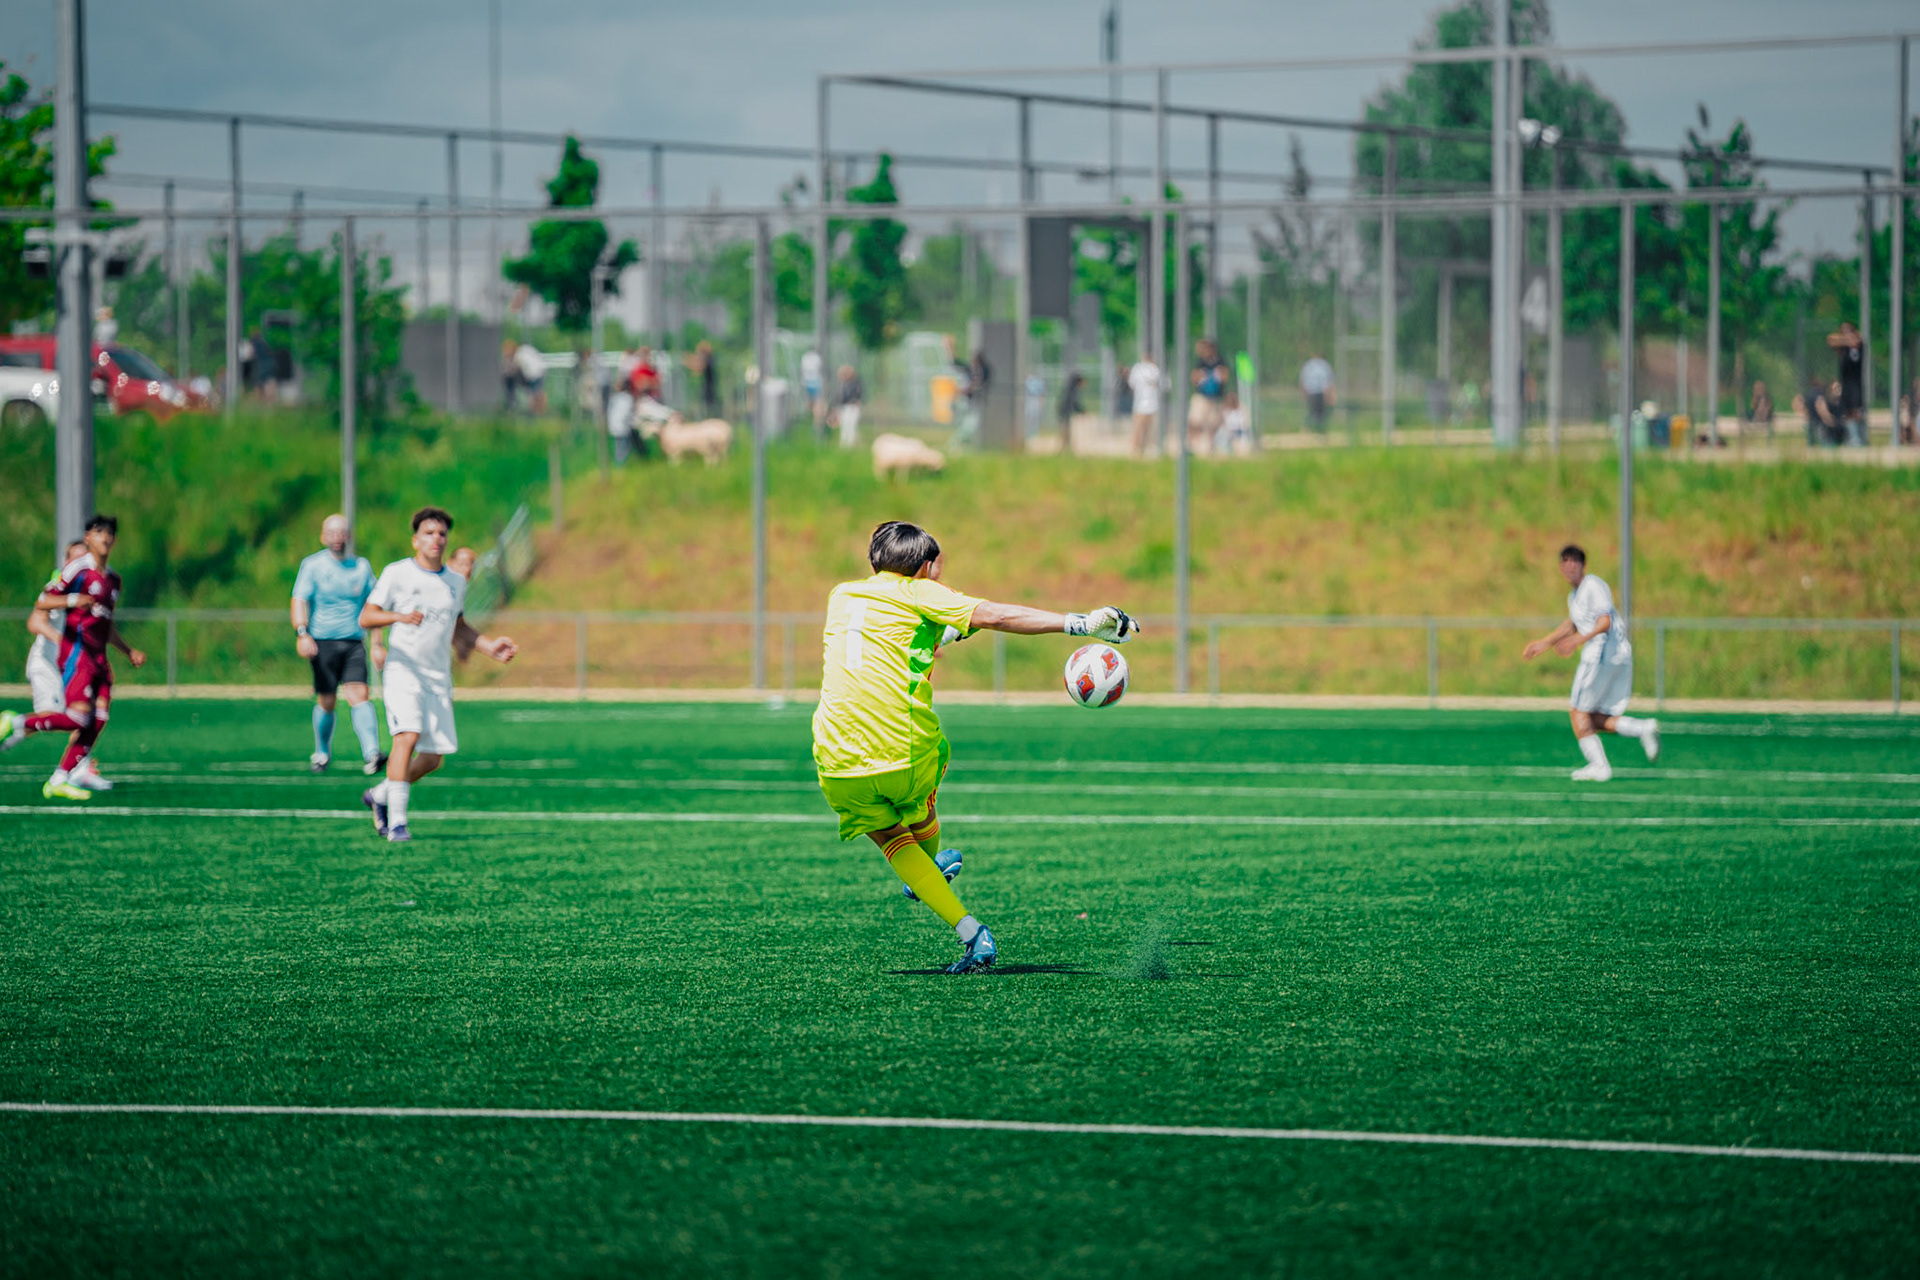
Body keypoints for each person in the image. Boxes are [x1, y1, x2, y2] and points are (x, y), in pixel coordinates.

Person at [812, 521, 1138, 973]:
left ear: (873, 562)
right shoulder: (920, 592)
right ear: (924, 569)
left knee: (890, 839)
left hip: (834, 759)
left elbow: (909, 635)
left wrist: (946, 632)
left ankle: (972, 932)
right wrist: (1079, 623)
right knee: (933, 762)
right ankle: (927, 863)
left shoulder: (841, 597)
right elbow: (996, 616)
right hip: (903, 752)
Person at [358, 507, 519, 844]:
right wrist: (398, 617)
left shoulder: (454, 582)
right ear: (415, 539)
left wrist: (490, 646)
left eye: (442, 534)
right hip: (403, 671)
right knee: (407, 736)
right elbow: (367, 617)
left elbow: (458, 627)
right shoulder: (397, 573)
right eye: (429, 533)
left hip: (437, 676)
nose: (436, 539)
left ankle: (380, 795)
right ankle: (399, 823)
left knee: (432, 759)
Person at [0, 514, 146, 800]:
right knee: (78, 718)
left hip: (99, 658)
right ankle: (16, 723)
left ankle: (60, 778)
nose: (105, 537)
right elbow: (41, 603)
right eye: (98, 531)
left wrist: (127, 650)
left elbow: (106, 624)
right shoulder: (76, 570)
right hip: (76, 655)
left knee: (99, 718)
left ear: (114, 540)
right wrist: (72, 600)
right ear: (88, 537)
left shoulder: (114, 580)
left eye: (110, 533)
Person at [1521, 544, 1659, 783]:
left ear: (1584, 565)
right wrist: (1544, 643)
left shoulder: (1593, 585)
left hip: (1601, 655)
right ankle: (1642, 728)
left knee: (1577, 713)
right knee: (1593, 718)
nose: (1570, 565)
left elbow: (1604, 622)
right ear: (1560, 567)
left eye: (1575, 561)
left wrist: (1576, 641)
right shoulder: (1574, 595)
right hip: (1614, 656)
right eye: (1565, 561)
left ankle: (1599, 767)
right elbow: (1573, 623)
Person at [291, 515, 384, 776]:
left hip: (354, 642)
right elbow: (299, 599)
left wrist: (377, 644)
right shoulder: (312, 566)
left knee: (359, 695)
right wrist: (302, 633)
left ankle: (372, 753)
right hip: (323, 644)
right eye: (332, 533)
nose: (337, 537)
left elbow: (374, 605)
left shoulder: (361, 567)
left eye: (342, 532)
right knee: (327, 700)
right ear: (323, 536)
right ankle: (321, 752)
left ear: (350, 536)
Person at [22, 540, 111, 791]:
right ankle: (12, 727)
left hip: (73, 665)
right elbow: (34, 622)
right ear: (66, 561)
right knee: (53, 718)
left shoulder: (92, 585)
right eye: (75, 558)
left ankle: (77, 770)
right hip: (48, 664)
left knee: (87, 714)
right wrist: (64, 643)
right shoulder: (59, 584)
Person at [1826, 321, 1866, 446]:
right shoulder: (1843, 347)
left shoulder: (1859, 344)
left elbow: (1858, 340)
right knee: (1847, 410)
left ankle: (1859, 437)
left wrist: (1851, 338)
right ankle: (1852, 437)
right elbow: (1830, 339)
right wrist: (1845, 339)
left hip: (1857, 382)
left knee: (1856, 410)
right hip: (1846, 381)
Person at [1189, 337, 1227, 453]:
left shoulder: (1220, 361)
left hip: (1214, 397)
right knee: (1195, 421)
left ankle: (1208, 446)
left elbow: (1225, 376)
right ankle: (1193, 445)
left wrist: (1218, 376)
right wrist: (1200, 377)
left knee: (1213, 423)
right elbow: (1193, 378)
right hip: (1202, 396)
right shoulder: (1200, 362)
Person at [1128, 349, 1163, 457]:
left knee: (1143, 428)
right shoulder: (1152, 369)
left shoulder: (1141, 369)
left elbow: (1132, 384)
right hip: (1145, 404)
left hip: (1147, 404)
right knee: (1144, 428)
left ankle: (1140, 448)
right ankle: (1140, 448)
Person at [1299, 353, 1334, 433]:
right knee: (1312, 410)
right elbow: (1303, 379)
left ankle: (1320, 429)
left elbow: (1328, 381)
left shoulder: (1323, 365)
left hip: (1320, 391)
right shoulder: (1309, 365)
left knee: (1320, 412)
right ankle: (1307, 428)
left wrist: (1329, 393)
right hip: (1312, 391)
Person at [834, 364, 866, 448]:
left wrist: (856, 401)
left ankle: (851, 444)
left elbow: (858, 394)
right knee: (845, 425)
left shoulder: (855, 383)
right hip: (844, 407)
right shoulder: (842, 384)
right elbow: (839, 398)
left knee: (851, 425)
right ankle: (844, 444)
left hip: (852, 407)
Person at [513, 341, 548, 415]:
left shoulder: (518, 354)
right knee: (538, 392)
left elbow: (518, 366)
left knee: (532, 394)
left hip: (532, 375)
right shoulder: (527, 349)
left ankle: (533, 411)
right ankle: (541, 410)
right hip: (540, 371)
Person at [1214, 390, 1252, 456]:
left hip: (1239, 431)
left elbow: (1246, 421)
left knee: (1243, 452)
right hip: (1226, 432)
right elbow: (1220, 422)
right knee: (1222, 451)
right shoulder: (1223, 409)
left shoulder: (1241, 409)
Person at [800, 348, 825, 428]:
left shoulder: (811, 358)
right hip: (809, 382)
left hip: (814, 382)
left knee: (817, 404)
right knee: (811, 404)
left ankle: (817, 423)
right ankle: (815, 419)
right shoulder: (809, 358)